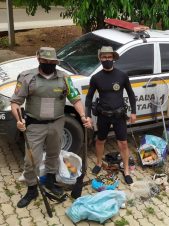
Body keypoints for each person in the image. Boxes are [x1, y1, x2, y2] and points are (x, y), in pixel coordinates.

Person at [10, 47, 91, 208]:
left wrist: (83, 116)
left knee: (54, 154)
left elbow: (75, 99)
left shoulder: (64, 78)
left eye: (52, 62)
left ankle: (51, 181)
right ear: (38, 59)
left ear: (56, 62)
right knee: (31, 159)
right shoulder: (27, 77)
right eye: (45, 61)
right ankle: (32, 189)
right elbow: (15, 102)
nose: (48, 64)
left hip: (57, 123)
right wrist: (18, 120)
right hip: (34, 125)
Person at [85, 46, 136, 184]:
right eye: (104, 57)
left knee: (123, 143)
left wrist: (134, 112)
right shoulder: (96, 78)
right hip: (103, 115)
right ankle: (98, 163)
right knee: (100, 140)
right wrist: (87, 115)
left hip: (119, 115)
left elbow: (131, 94)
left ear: (113, 58)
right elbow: (89, 98)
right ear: (100, 59)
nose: (107, 59)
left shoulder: (122, 75)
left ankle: (126, 170)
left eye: (109, 57)